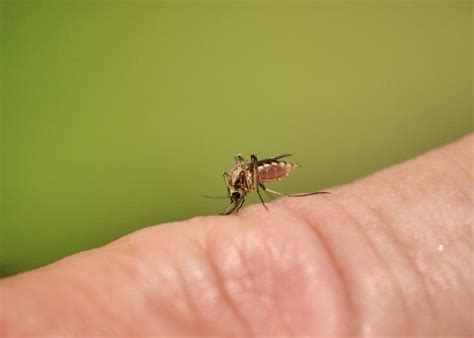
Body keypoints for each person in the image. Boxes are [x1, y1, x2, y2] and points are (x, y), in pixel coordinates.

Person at [1, 134, 472, 336]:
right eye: (240, 191)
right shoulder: (237, 185)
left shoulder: (249, 177)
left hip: (265, 170)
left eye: (239, 192)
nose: (236, 194)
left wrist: (260, 180)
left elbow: (246, 171)